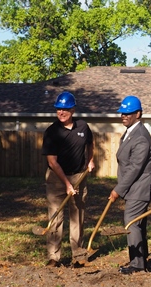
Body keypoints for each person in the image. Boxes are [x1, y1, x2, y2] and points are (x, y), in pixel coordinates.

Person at [41, 91, 95, 267]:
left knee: (77, 216)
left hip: (79, 175)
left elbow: (90, 143)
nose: (61, 113)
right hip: (57, 178)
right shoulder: (52, 132)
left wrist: (90, 160)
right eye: (58, 109)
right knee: (55, 216)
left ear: (72, 109)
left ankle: (78, 255)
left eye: (64, 109)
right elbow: (52, 161)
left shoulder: (83, 127)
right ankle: (53, 257)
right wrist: (67, 184)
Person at [108, 95, 151, 275]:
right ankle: (141, 261)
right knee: (139, 224)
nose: (124, 116)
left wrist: (117, 190)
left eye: (128, 113)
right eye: (122, 113)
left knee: (131, 223)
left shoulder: (141, 137)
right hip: (135, 186)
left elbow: (135, 168)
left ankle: (137, 265)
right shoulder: (131, 132)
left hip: (141, 186)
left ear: (138, 114)